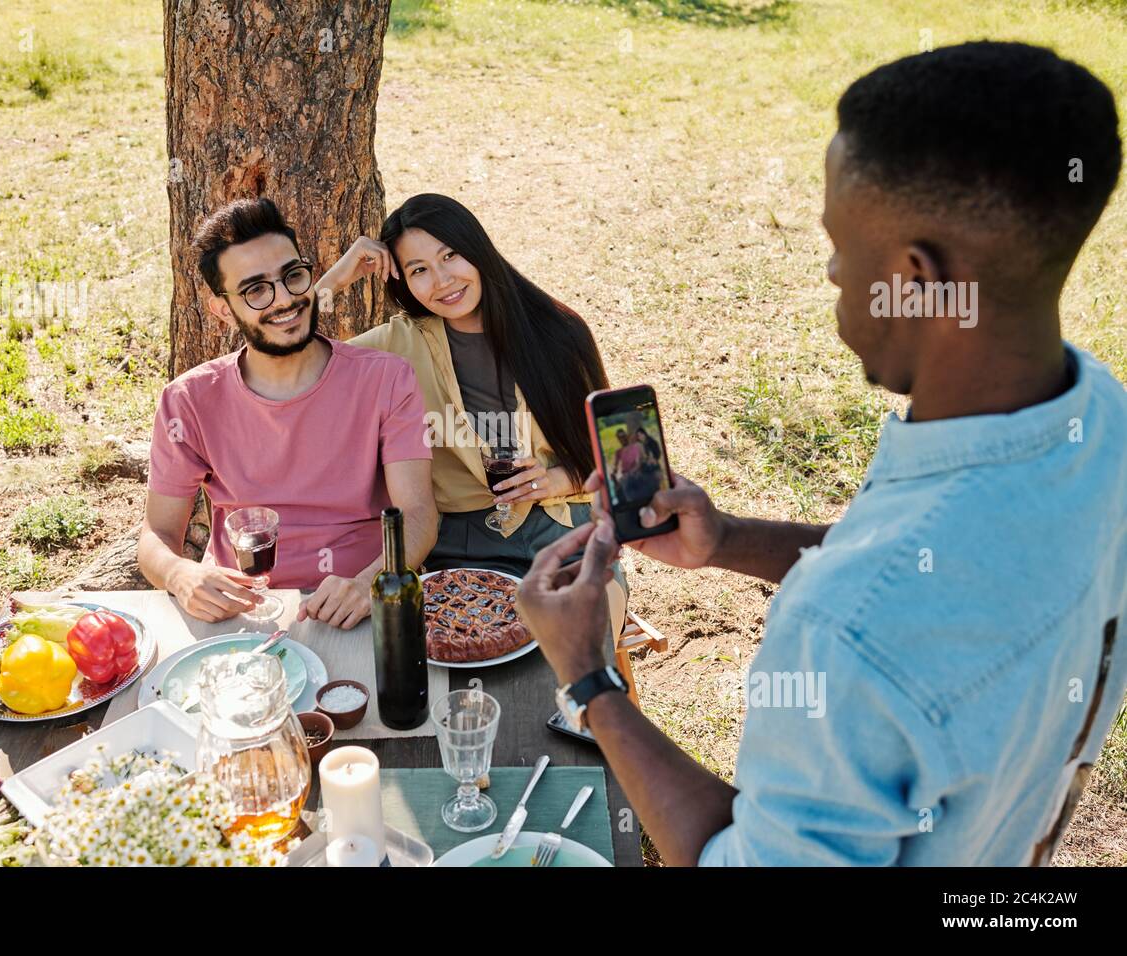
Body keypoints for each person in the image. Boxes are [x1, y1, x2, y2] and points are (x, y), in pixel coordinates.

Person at [517, 41, 1127, 866]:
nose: (834, 272)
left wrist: (590, 679)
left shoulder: (847, 627)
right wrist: (726, 539)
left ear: (915, 280)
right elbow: (935, 569)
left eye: (840, 247)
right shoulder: (1099, 421)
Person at [316, 194, 627, 634]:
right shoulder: (400, 344)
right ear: (402, 280)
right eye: (419, 269)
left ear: (478, 250)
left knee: (575, 649)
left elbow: (618, 459)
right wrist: (337, 277)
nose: (442, 281)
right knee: (468, 653)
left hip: (563, 530)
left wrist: (556, 479)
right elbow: (288, 355)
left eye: (451, 255)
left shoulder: (558, 332)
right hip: (462, 544)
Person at [138, 197, 437, 627]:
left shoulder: (386, 379)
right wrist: (179, 573)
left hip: (359, 602)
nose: (284, 300)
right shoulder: (188, 399)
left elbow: (419, 515)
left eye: (293, 277)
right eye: (256, 289)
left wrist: (374, 580)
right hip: (243, 609)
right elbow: (157, 534)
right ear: (223, 309)